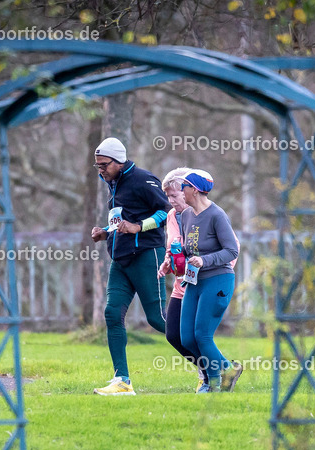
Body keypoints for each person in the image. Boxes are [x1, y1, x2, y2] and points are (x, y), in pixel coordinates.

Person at [89, 137, 170, 396]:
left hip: (146, 255)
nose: (100, 170)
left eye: (104, 165)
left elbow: (165, 212)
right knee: (112, 314)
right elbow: (123, 220)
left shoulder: (143, 180)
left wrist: (139, 227)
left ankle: (215, 365)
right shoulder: (113, 183)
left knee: (157, 319)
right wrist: (106, 232)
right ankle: (122, 381)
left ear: (119, 161)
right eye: (97, 165)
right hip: (120, 259)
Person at [176, 170, 243, 393]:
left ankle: (214, 382)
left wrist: (205, 260)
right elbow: (189, 249)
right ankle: (227, 369)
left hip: (218, 280)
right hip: (194, 281)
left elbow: (231, 251)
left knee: (203, 336)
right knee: (187, 338)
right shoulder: (186, 215)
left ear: (194, 190)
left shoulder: (217, 215)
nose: (180, 191)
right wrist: (174, 258)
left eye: (183, 186)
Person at [158, 167, 207, 392]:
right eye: (167, 196)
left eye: (174, 195)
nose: (171, 201)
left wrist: (211, 271)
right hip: (181, 285)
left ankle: (210, 376)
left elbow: (231, 248)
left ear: (188, 191)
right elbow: (173, 246)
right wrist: (167, 262)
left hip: (204, 285)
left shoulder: (207, 214)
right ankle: (217, 369)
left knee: (195, 336)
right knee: (173, 335)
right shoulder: (172, 216)